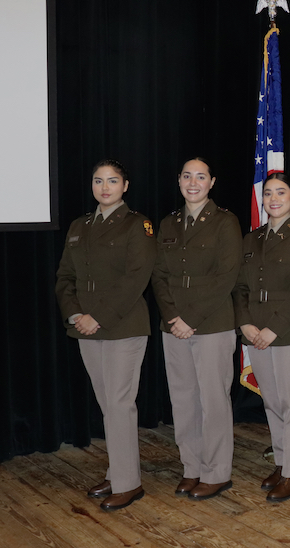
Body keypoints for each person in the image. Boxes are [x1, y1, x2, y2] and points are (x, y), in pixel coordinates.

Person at [55, 159, 156, 511]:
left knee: (118, 404)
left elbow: (136, 279)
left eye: (113, 181)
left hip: (122, 327)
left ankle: (129, 484)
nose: (105, 187)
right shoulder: (79, 226)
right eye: (98, 181)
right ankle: (117, 471)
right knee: (107, 405)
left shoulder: (137, 225)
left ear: (125, 186)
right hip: (86, 327)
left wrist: (97, 316)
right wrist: (76, 314)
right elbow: (65, 278)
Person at [151, 157, 242, 501]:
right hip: (173, 326)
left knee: (213, 400)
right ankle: (192, 468)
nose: (193, 182)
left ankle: (217, 473)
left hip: (211, 325)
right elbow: (158, 275)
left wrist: (191, 318)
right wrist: (174, 316)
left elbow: (226, 277)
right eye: (187, 176)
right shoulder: (169, 223)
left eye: (200, 176)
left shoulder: (225, 222)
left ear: (212, 182)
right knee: (183, 400)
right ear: (178, 181)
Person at [233, 173, 290, 503]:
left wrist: (273, 328)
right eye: (268, 193)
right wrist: (246, 325)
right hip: (255, 333)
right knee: (271, 400)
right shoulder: (251, 240)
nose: (273, 198)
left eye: (281, 192)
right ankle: (283, 461)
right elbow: (240, 288)